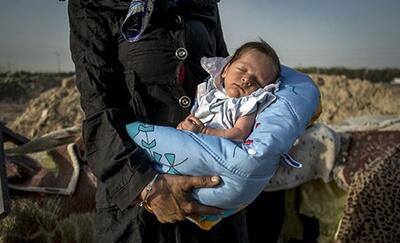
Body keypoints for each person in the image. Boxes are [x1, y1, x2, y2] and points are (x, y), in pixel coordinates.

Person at [68, 0, 249, 242]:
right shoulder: (91, 5)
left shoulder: (204, 3)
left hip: (214, 200)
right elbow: (98, 107)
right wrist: (148, 188)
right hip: (141, 209)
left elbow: (225, 82)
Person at [177, 40, 281, 141]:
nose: (247, 80)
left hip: (214, 151)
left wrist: (204, 131)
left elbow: (240, 133)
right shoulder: (210, 93)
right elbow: (194, 114)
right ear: (225, 70)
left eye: (257, 81)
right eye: (242, 70)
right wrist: (183, 125)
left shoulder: (247, 105)